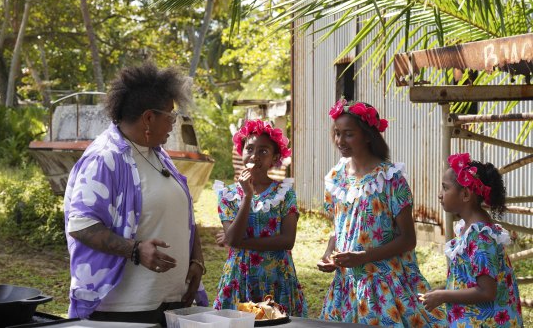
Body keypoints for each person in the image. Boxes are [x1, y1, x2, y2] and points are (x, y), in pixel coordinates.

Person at [63, 62, 207, 325]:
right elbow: (81, 226)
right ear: (149, 118)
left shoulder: (158, 155)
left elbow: (185, 215)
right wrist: (135, 250)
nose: (173, 124)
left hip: (168, 303)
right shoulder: (105, 158)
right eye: (170, 117)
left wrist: (196, 260)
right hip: (125, 310)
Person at [318, 98, 447, 327]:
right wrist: (330, 254)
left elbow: (408, 239)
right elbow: (338, 226)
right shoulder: (336, 177)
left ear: (368, 135)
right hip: (347, 284)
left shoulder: (391, 179)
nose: (340, 140)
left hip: (383, 284)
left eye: (348, 134)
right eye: (337, 133)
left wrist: (364, 256)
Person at [213, 119, 308, 317]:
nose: (255, 155)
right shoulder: (228, 195)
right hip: (240, 276)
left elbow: (287, 240)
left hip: (276, 277)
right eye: (250, 148)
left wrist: (241, 242)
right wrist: (247, 196)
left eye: (263, 151)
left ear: (274, 159)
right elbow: (232, 240)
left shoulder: (285, 193)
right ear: (241, 152)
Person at [422, 153, 524, 327]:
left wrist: (443, 296)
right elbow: (469, 279)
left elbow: (487, 292)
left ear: (466, 194)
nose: (440, 194)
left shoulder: (480, 237)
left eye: (445, 188)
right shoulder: (468, 229)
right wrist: (444, 290)